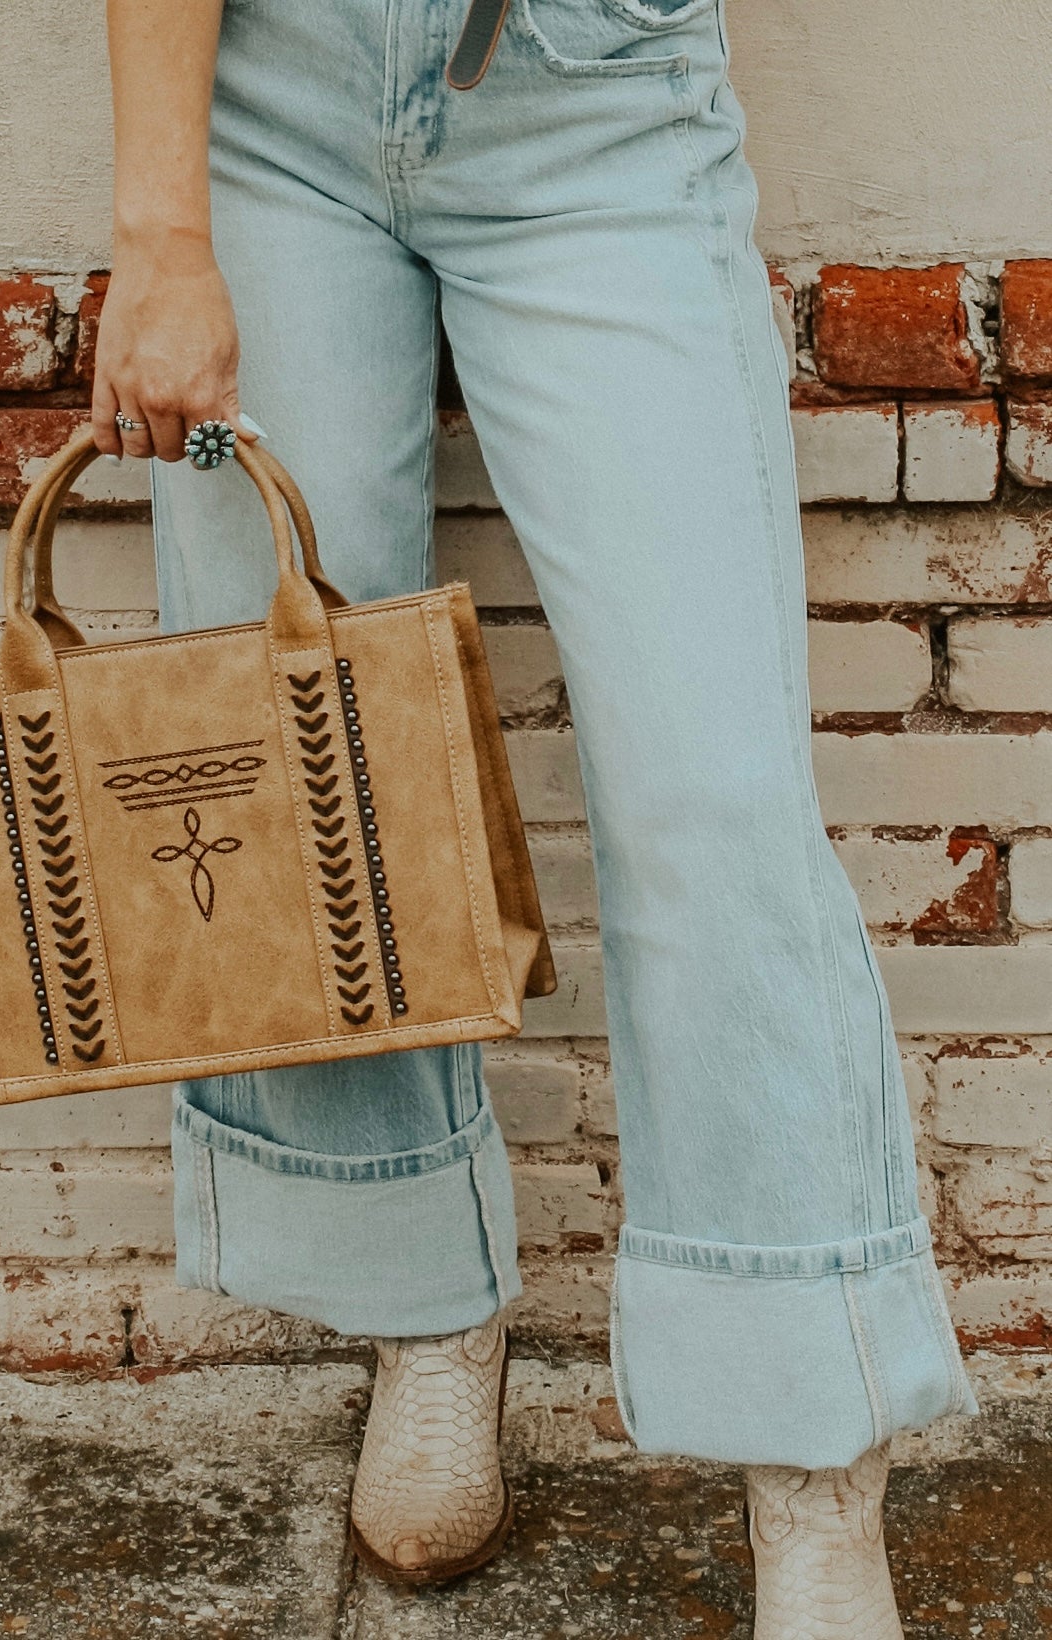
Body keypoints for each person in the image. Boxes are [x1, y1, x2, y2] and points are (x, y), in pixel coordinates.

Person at [93, 0, 979, 1629]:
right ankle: (422, 1306)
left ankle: (808, 1443)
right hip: (275, 97)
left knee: (710, 797)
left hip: (598, 100)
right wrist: (159, 228)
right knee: (310, 768)